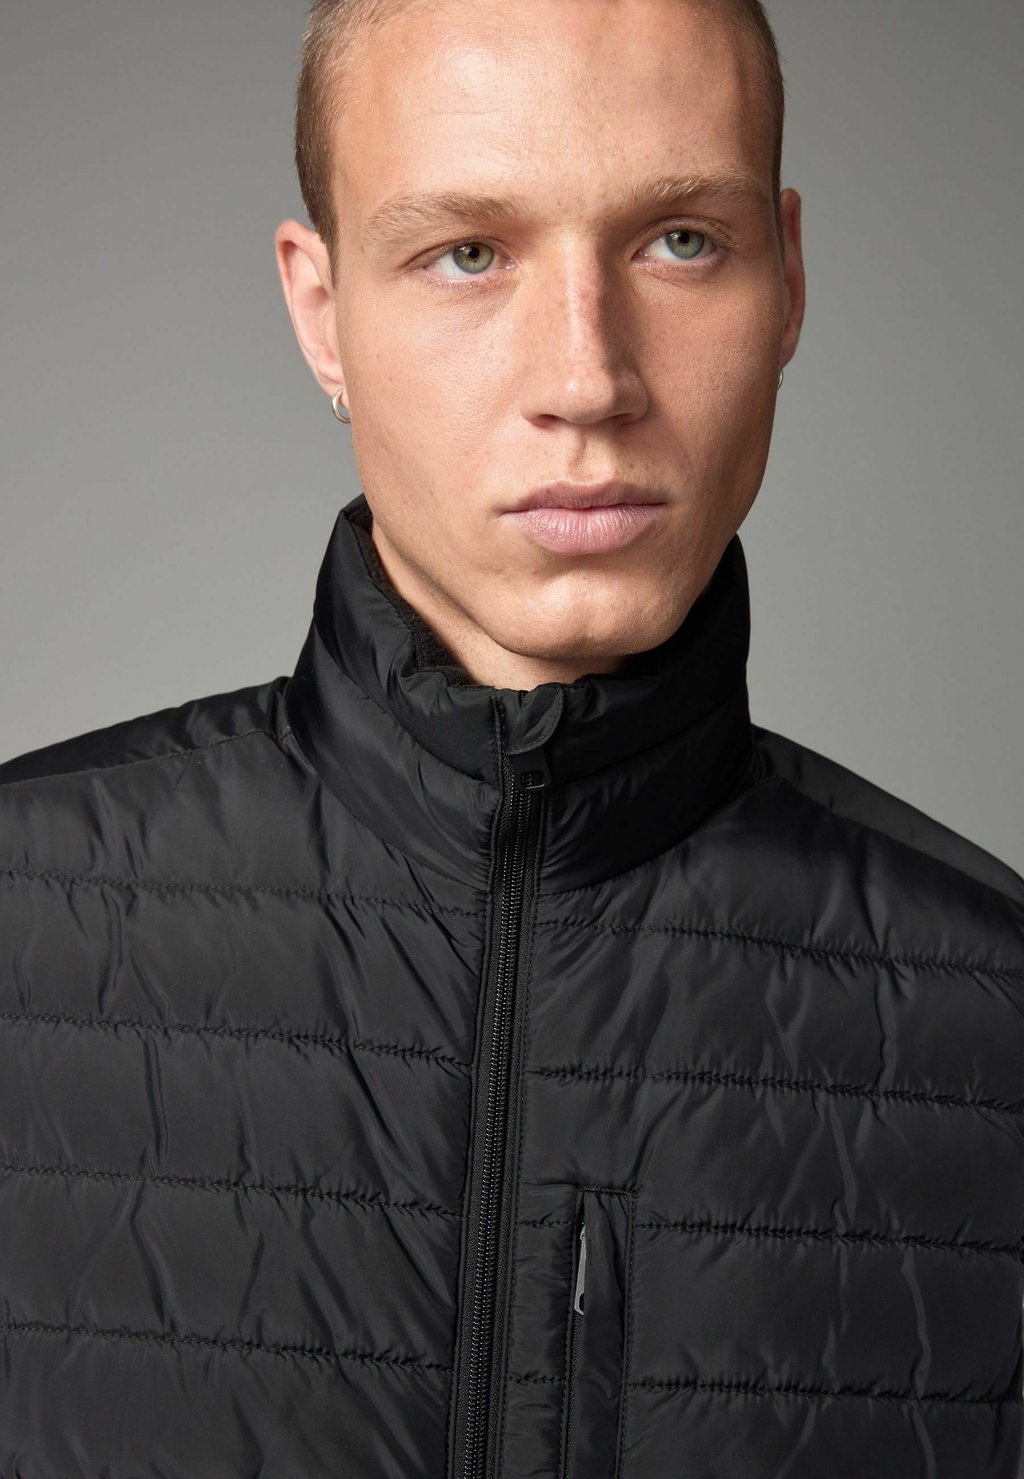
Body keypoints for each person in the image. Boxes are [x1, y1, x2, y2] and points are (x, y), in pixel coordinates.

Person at [1, 0, 1021, 1475]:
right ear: (322, 312)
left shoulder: (997, 1018)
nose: (588, 380)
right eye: (469, 254)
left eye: (681, 240)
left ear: (788, 280)